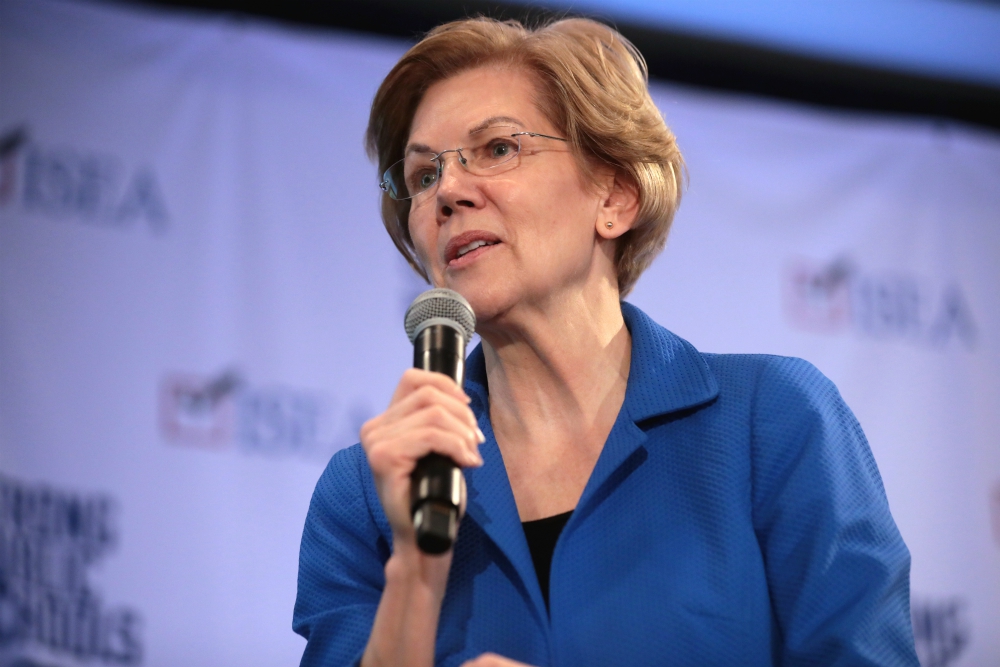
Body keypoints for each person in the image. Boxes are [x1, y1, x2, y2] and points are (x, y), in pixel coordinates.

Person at [293, 16, 918, 667]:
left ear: (615, 195)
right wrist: (416, 571)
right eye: (423, 177)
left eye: (499, 148)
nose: (448, 190)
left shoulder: (775, 423)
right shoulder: (365, 492)